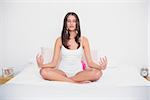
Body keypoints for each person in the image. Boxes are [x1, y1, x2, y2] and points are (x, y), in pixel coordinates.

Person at [36, 12, 107, 83]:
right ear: (65, 23)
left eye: (74, 21)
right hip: (62, 72)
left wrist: (101, 67)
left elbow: (90, 63)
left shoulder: (84, 40)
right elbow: (54, 63)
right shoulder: (59, 40)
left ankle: (66, 80)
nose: (71, 23)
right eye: (69, 21)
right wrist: (42, 65)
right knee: (43, 71)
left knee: (98, 73)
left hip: (78, 73)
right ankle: (74, 82)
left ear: (77, 23)